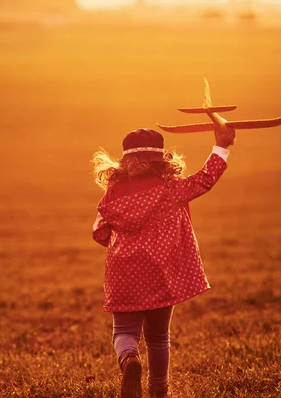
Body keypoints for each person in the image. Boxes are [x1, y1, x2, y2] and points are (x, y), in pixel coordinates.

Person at [91, 124, 235, 398]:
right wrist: (222, 146)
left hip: (123, 272)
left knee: (124, 331)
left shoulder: (113, 192)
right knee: (158, 337)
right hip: (161, 272)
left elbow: (100, 230)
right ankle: (159, 391)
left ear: (125, 161)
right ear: (162, 161)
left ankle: (130, 359)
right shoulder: (170, 190)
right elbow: (204, 179)